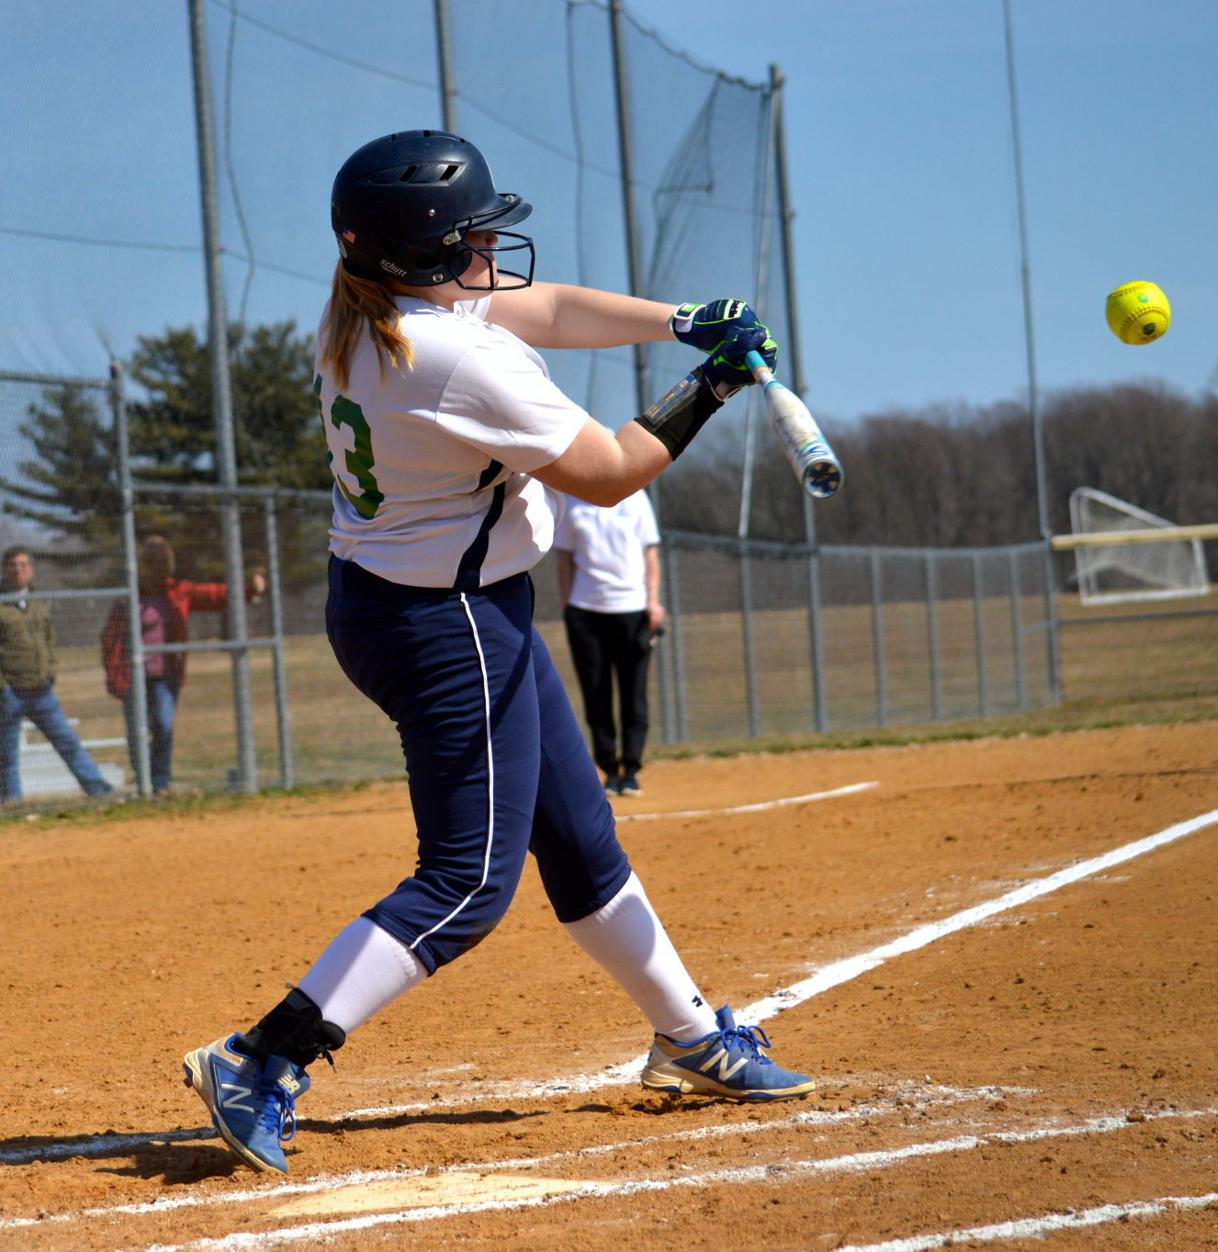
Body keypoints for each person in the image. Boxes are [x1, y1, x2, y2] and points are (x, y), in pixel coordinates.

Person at [180, 129, 813, 1177]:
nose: (493, 248)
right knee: (470, 880)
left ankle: (689, 1035)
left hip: (414, 602)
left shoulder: (368, 308)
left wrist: (684, 321)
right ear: (426, 257)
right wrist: (709, 388)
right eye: (474, 235)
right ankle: (262, 1056)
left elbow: (551, 309)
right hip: (448, 624)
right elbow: (608, 472)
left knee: (578, 838)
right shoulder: (454, 357)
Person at [100, 535, 267, 795]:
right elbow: (110, 638)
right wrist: (115, 676)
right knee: (137, 732)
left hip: (165, 675)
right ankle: (145, 781)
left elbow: (216, 595)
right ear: (142, 564)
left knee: (163, 725)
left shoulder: (179, 591)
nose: (157, 567)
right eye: (151, 561)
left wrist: (250, 590)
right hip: (133, 675)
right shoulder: (129, 596)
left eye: (162, 561)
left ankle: (160, 783)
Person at [554, 489, 664, 796]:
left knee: (634, 693)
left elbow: (650, 552)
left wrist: (653, 601)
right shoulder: (573, 502)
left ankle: (631, 769)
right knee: (596, 692)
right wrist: (567, 606)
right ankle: (608, 770)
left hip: (632, 609)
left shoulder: (637, 498)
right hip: (586, 612)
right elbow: (564, 558)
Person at [0, 545, 114, 802]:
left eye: (24, 565)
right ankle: (11, 801)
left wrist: (50, 671)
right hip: (10, 694)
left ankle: (98, 789)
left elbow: (50, 639)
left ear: (31, 570)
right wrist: (3, 686)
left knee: (67, 741)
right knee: (6, 753)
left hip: (41, 690)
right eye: (13, 566)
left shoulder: (38, 602)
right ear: (5, 570)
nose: (19, 570)